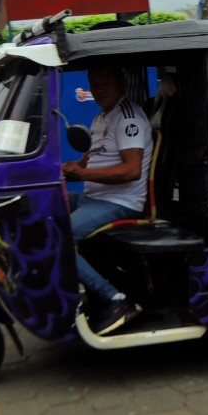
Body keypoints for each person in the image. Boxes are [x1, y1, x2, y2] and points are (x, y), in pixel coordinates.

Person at [62, 66, 153, 335]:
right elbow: (89, 161)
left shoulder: (127, 117)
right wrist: (71, 168)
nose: (99, 89)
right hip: (95, 196)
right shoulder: (101, 117)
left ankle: (116, 301)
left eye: (105, 82)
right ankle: (80, 292)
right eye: (94, 84)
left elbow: (131, 170)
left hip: (120, 200)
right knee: (47, 207)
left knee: (61, 239)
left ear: (121, 83)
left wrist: (82, 172)